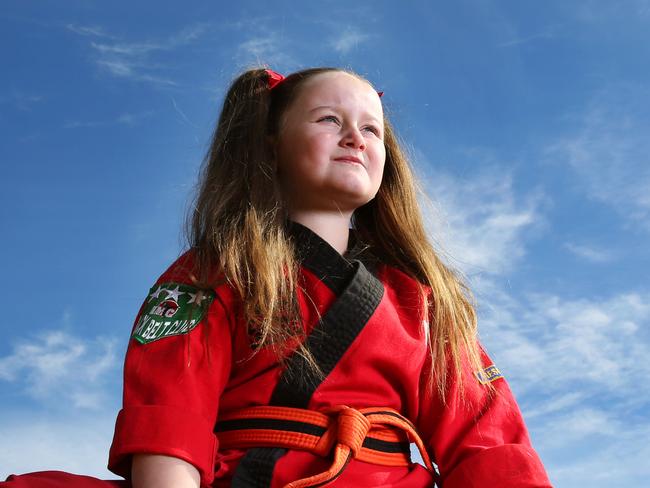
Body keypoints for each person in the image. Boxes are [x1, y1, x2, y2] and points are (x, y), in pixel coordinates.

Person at [2, 67, 552, 487]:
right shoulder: (213, 270)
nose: (355, 137)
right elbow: (172, 410)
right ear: (272, 141)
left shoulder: (424, 302)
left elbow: (488, 440)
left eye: (371, 129)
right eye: (328, 120)